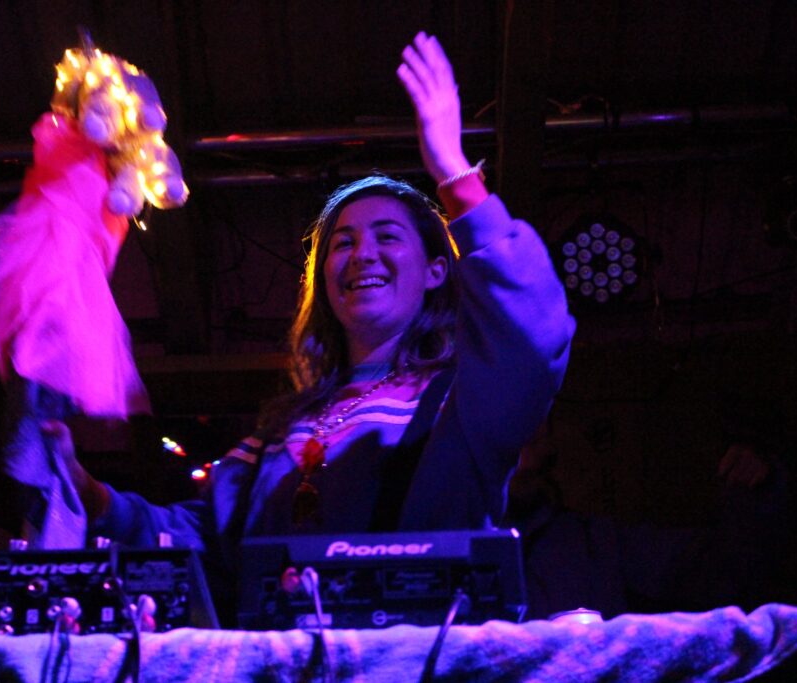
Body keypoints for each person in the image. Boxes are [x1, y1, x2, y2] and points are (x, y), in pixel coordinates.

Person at [34, 32, 575, 590]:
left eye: (388, 236)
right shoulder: (282, 428)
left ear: (437, 271)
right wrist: (91, 494)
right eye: (342, 243)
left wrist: (453, 170)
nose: (363, 254)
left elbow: (536, 334)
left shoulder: (462, 401)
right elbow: (203, 539)